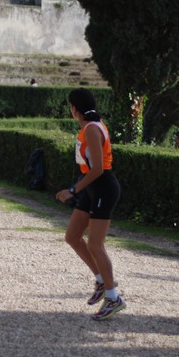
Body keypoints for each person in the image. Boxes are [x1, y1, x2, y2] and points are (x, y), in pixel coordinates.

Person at [56, 88, 126, 321]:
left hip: (103, 187)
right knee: (73, 237)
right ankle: (100, 281)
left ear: (75, 108)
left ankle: (113, 296)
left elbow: (98, 169)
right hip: (92, 186)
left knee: (96, 244)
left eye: (70, 106)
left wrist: (73, 190)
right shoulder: (89, 127)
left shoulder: (93, 129)